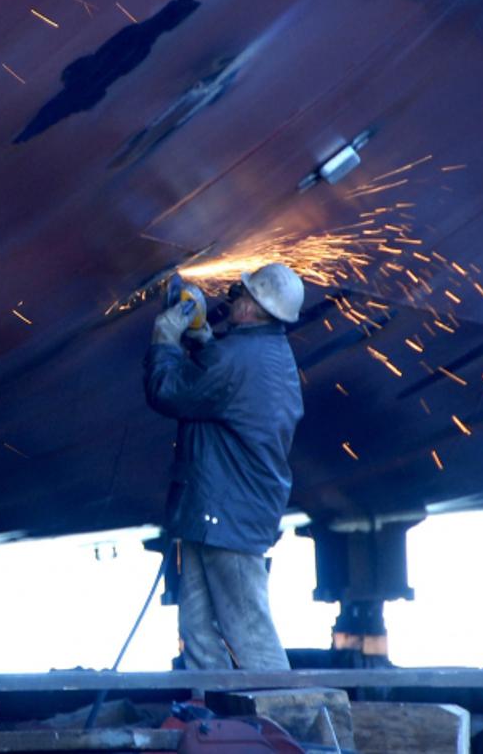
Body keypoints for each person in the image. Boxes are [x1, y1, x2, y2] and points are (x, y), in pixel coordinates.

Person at [143, 263, 305, 670]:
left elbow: (169, 392)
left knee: (249, 632)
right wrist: (202, 341)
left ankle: (294, 723)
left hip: (227, 517)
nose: (234, 299)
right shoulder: (267, 353)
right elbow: (221, 384)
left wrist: (165, 340)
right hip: (214, 514)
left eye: (241, 294)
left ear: (252, 307)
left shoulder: (236, 359)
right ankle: (213, 722)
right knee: (196, 629)